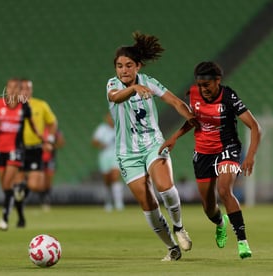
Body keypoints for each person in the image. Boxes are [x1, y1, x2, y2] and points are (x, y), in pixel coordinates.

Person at [106, 31, 199, 261]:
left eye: (128, 65)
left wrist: (190, 117)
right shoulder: (112, 84)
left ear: (138, 66)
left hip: (153, 145)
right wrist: (133, 89)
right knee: (148, 204)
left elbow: (175, 101)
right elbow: (115, 98)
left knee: (165, 187)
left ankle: (178, 227)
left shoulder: (149, 82)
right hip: (127, 154)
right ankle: (171, 248)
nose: (124, 70)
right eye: (119, 66)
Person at [159, 61, 261, 259]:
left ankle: (242, 243)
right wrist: (174, 137)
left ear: (217, 81)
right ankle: (220, 223)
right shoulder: (194, 94)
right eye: (200, 85)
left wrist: (250, 156)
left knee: (224, 190)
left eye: (206, 85)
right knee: (208, 206)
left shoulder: (229, 97)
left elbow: (255, 127)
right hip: (203, 153)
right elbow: (194, 120)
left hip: (227, 148)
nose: (203, 89)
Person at [0, 78, 42, 231]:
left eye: (17, 88)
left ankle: (4, 219)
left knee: (7, 183)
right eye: (11, 87)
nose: (13, 90)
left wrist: (42, 138)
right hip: (1, 151)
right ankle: (19, 191)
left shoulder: (24, 107)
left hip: (16, 150)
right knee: (5, 186)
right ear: (6, 89)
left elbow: (32, 124)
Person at [13, 79, 57, 211]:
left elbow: (53, 123)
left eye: (28, 88)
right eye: (23, 88)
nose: (26, 90)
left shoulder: (41, 105)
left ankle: (23, 190)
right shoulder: (13, 106)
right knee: (17, 179)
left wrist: (49, 140)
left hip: (36, 148)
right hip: (18, 148)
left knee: (35, 185)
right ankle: (18, 203)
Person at [92, 112, 124, 212]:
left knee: (115, 176)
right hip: (105, 156)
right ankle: (108, 202)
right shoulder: (102, 129)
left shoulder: (120, 128)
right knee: (107, 180)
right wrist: (101, 144)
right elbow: (94, 141)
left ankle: (119, 203)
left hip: (116, 155)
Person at [40, 127, 65, 211]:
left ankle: (46, 200)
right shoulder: (38, 127)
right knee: (40, 180)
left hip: (50, 159)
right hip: (38, 158)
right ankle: (42, 198)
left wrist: (52, 146)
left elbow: (61, 143)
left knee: (48, 180)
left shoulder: (54, 129)